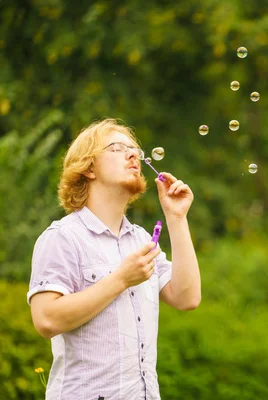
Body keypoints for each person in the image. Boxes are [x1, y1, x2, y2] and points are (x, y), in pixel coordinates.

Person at [27, 118, 201, 399]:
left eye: (135, 150)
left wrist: (176, 217)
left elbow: (186, 297)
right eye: (117, 148)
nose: (133, 154)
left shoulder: (142, 240)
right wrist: (121, 279)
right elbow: (46, 319)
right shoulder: (63, 237)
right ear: (89, 167)